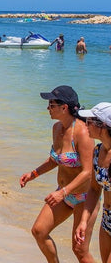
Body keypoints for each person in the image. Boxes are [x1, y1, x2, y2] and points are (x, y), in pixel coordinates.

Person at [20, 86, 96, 262]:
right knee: (39, 231)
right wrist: (33, 174)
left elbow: (87, 171)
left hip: (84, 198)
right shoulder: (57, 129)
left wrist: (63, 192)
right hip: (63, 194)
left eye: (51, 104)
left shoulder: (83, 132)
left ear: (64, 108)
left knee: (80, 250)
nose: (48, 108)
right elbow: (55, 160)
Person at [75, 102, 111, 262]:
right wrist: (83, 221)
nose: (85, 124)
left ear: (102, 125)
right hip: (106, 218)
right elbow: (95, 190)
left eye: (89, 121)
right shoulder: (97, 151)